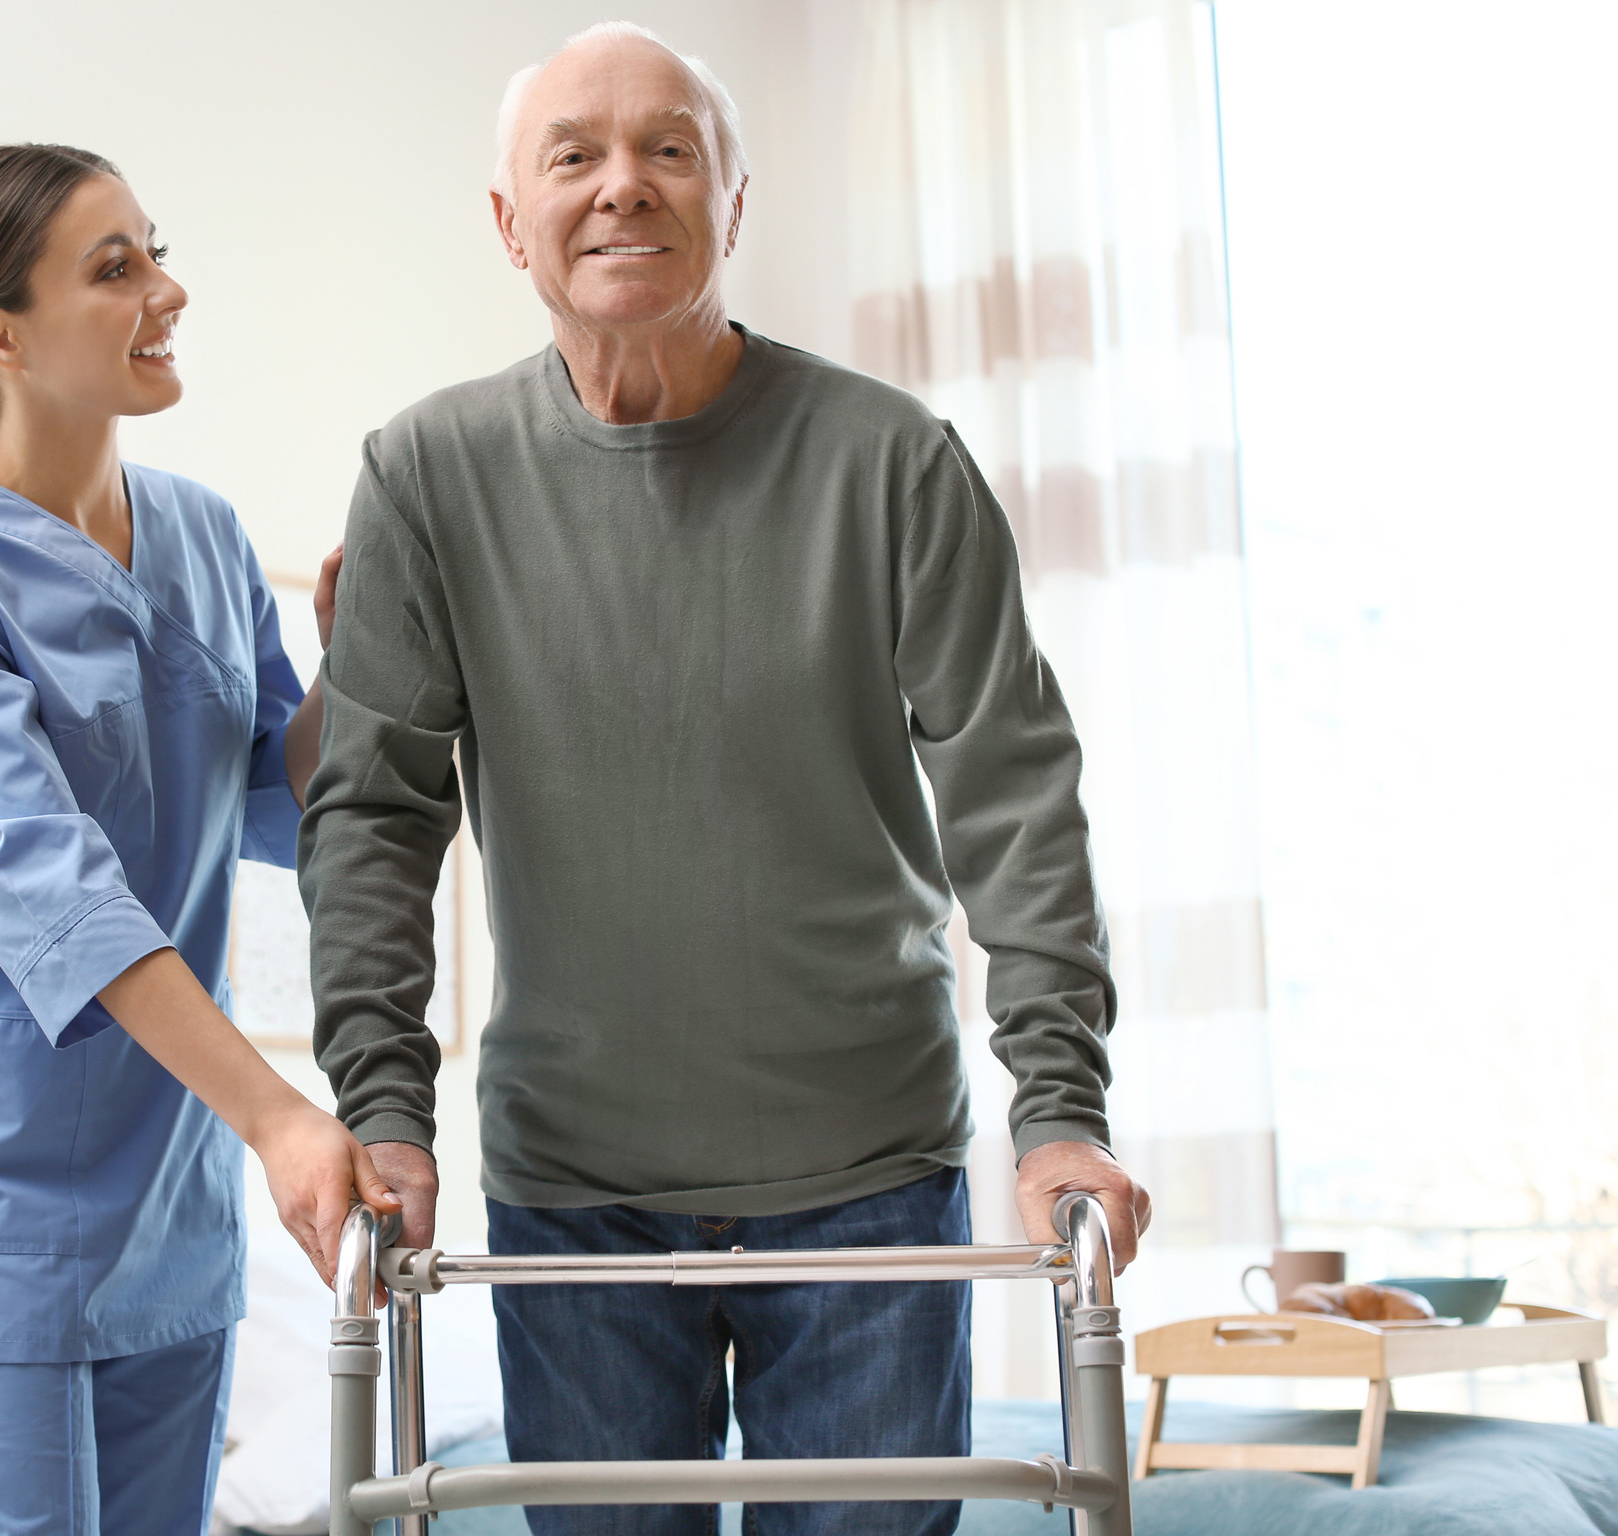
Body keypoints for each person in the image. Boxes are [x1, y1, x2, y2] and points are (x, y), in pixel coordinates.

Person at [298, 24, 1153, 1536]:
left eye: (669, 150)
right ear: (510, 220)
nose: (623, 186)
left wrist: (1060, 1109)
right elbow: (372, 813)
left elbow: (1014, 796)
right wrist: (383, 1104)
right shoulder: (426, 475)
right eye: (575, 155)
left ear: (733, 202)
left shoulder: (893, 463)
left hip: (867, 1179)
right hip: (575, 1191)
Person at [0, 143, 396, 1536]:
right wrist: (275, 1112)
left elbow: (282, 805)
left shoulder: (201, 533)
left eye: (157, 248)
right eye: (117, 267)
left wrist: (350, 665)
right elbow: (56, 897)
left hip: (172, 1205)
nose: (170, 288)